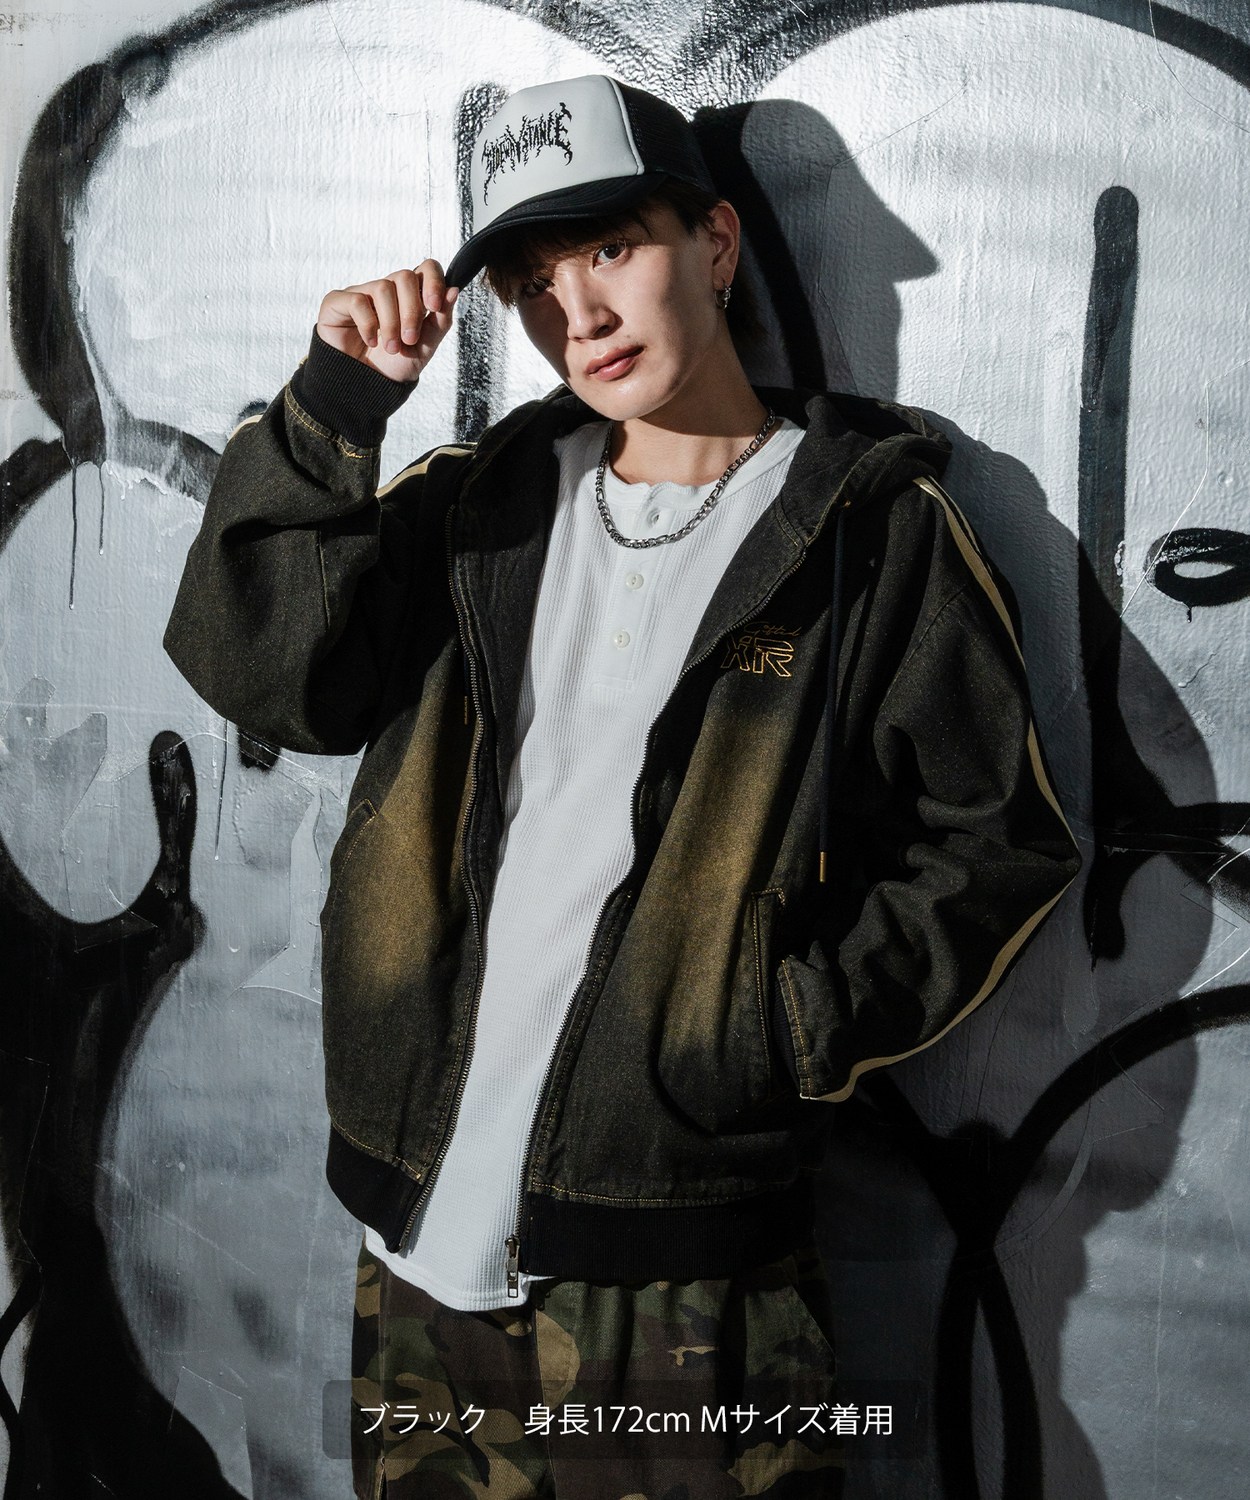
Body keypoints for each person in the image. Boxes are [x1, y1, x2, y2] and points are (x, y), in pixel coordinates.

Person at [164, 73, 1081, 1500]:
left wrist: (776, 1028)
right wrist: (335, 408)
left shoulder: (869, 532)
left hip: (680, 1280)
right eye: (533, 281)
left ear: (714, 243)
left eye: (610, 248)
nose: (578, 312)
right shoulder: (479, 505)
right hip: (421, 1245)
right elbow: (268, 676)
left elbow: (995, 842)